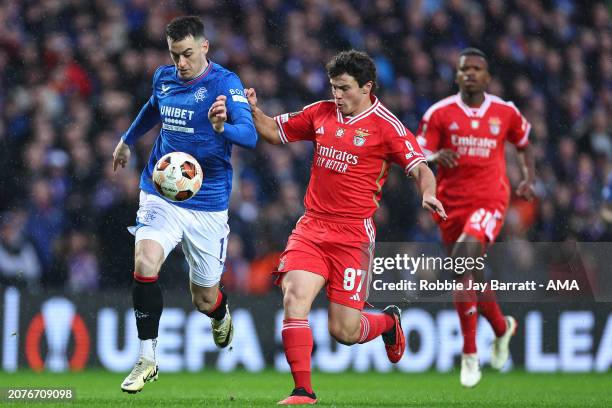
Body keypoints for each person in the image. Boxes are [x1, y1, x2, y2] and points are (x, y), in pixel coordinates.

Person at [246, 50, 446, 405]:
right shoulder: (320, 112)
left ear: (367, 87)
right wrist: (253, 110)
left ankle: (388, 323)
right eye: (333, 87)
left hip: (353, 236)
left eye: (344, 88)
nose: (336, 95)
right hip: (312, 227)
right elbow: (274, 132)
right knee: (294, 296)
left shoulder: (387, 126)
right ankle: (303, 392)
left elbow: (420, 168)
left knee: (344, 331)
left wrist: (428, 193)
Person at [112, 16, 257, 393]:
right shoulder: (164, 77)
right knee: (144, 262)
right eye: (175, 54)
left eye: (188, 54)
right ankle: (147, 358)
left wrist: (224, 128)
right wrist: (127, 140)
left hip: (208, 205)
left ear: (204, 47)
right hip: (161, 192)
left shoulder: (225, 84)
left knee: (203, 298)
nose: (181, 63)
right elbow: (151, 108)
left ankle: (219, 309)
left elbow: (251, 136)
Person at [416, 48, 535, 387]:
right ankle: (502, 327)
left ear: (487, 77)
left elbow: (525, 143)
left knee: (462, 264)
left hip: (491, 201)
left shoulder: (505, 112)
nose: (470, 73)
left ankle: (469, 354)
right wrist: (436, 155)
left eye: (476, 68)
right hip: (450, 206)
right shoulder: (439, 113)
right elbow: (418, 154)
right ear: (456, 76)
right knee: (469, 274)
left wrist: (528, 177)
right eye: (464, 68)